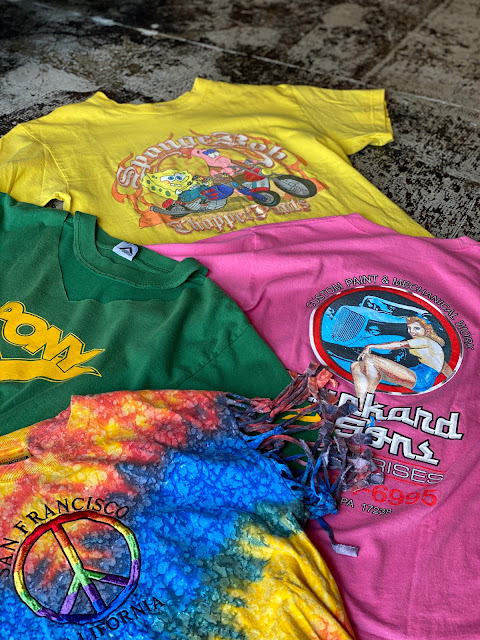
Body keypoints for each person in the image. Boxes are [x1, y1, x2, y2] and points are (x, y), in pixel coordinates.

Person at [351, 316, 453, 409]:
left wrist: (370, 346)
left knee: (370, 359)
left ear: (426, 331)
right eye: (409, 328)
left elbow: (399, 345)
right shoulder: (431, 347)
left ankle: (369, 399)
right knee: (356, 366)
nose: (412, 332)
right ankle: (362, 405)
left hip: (422, 378)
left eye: (416, 328)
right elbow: (444, 367)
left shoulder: (425, 340)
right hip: (416, 374)